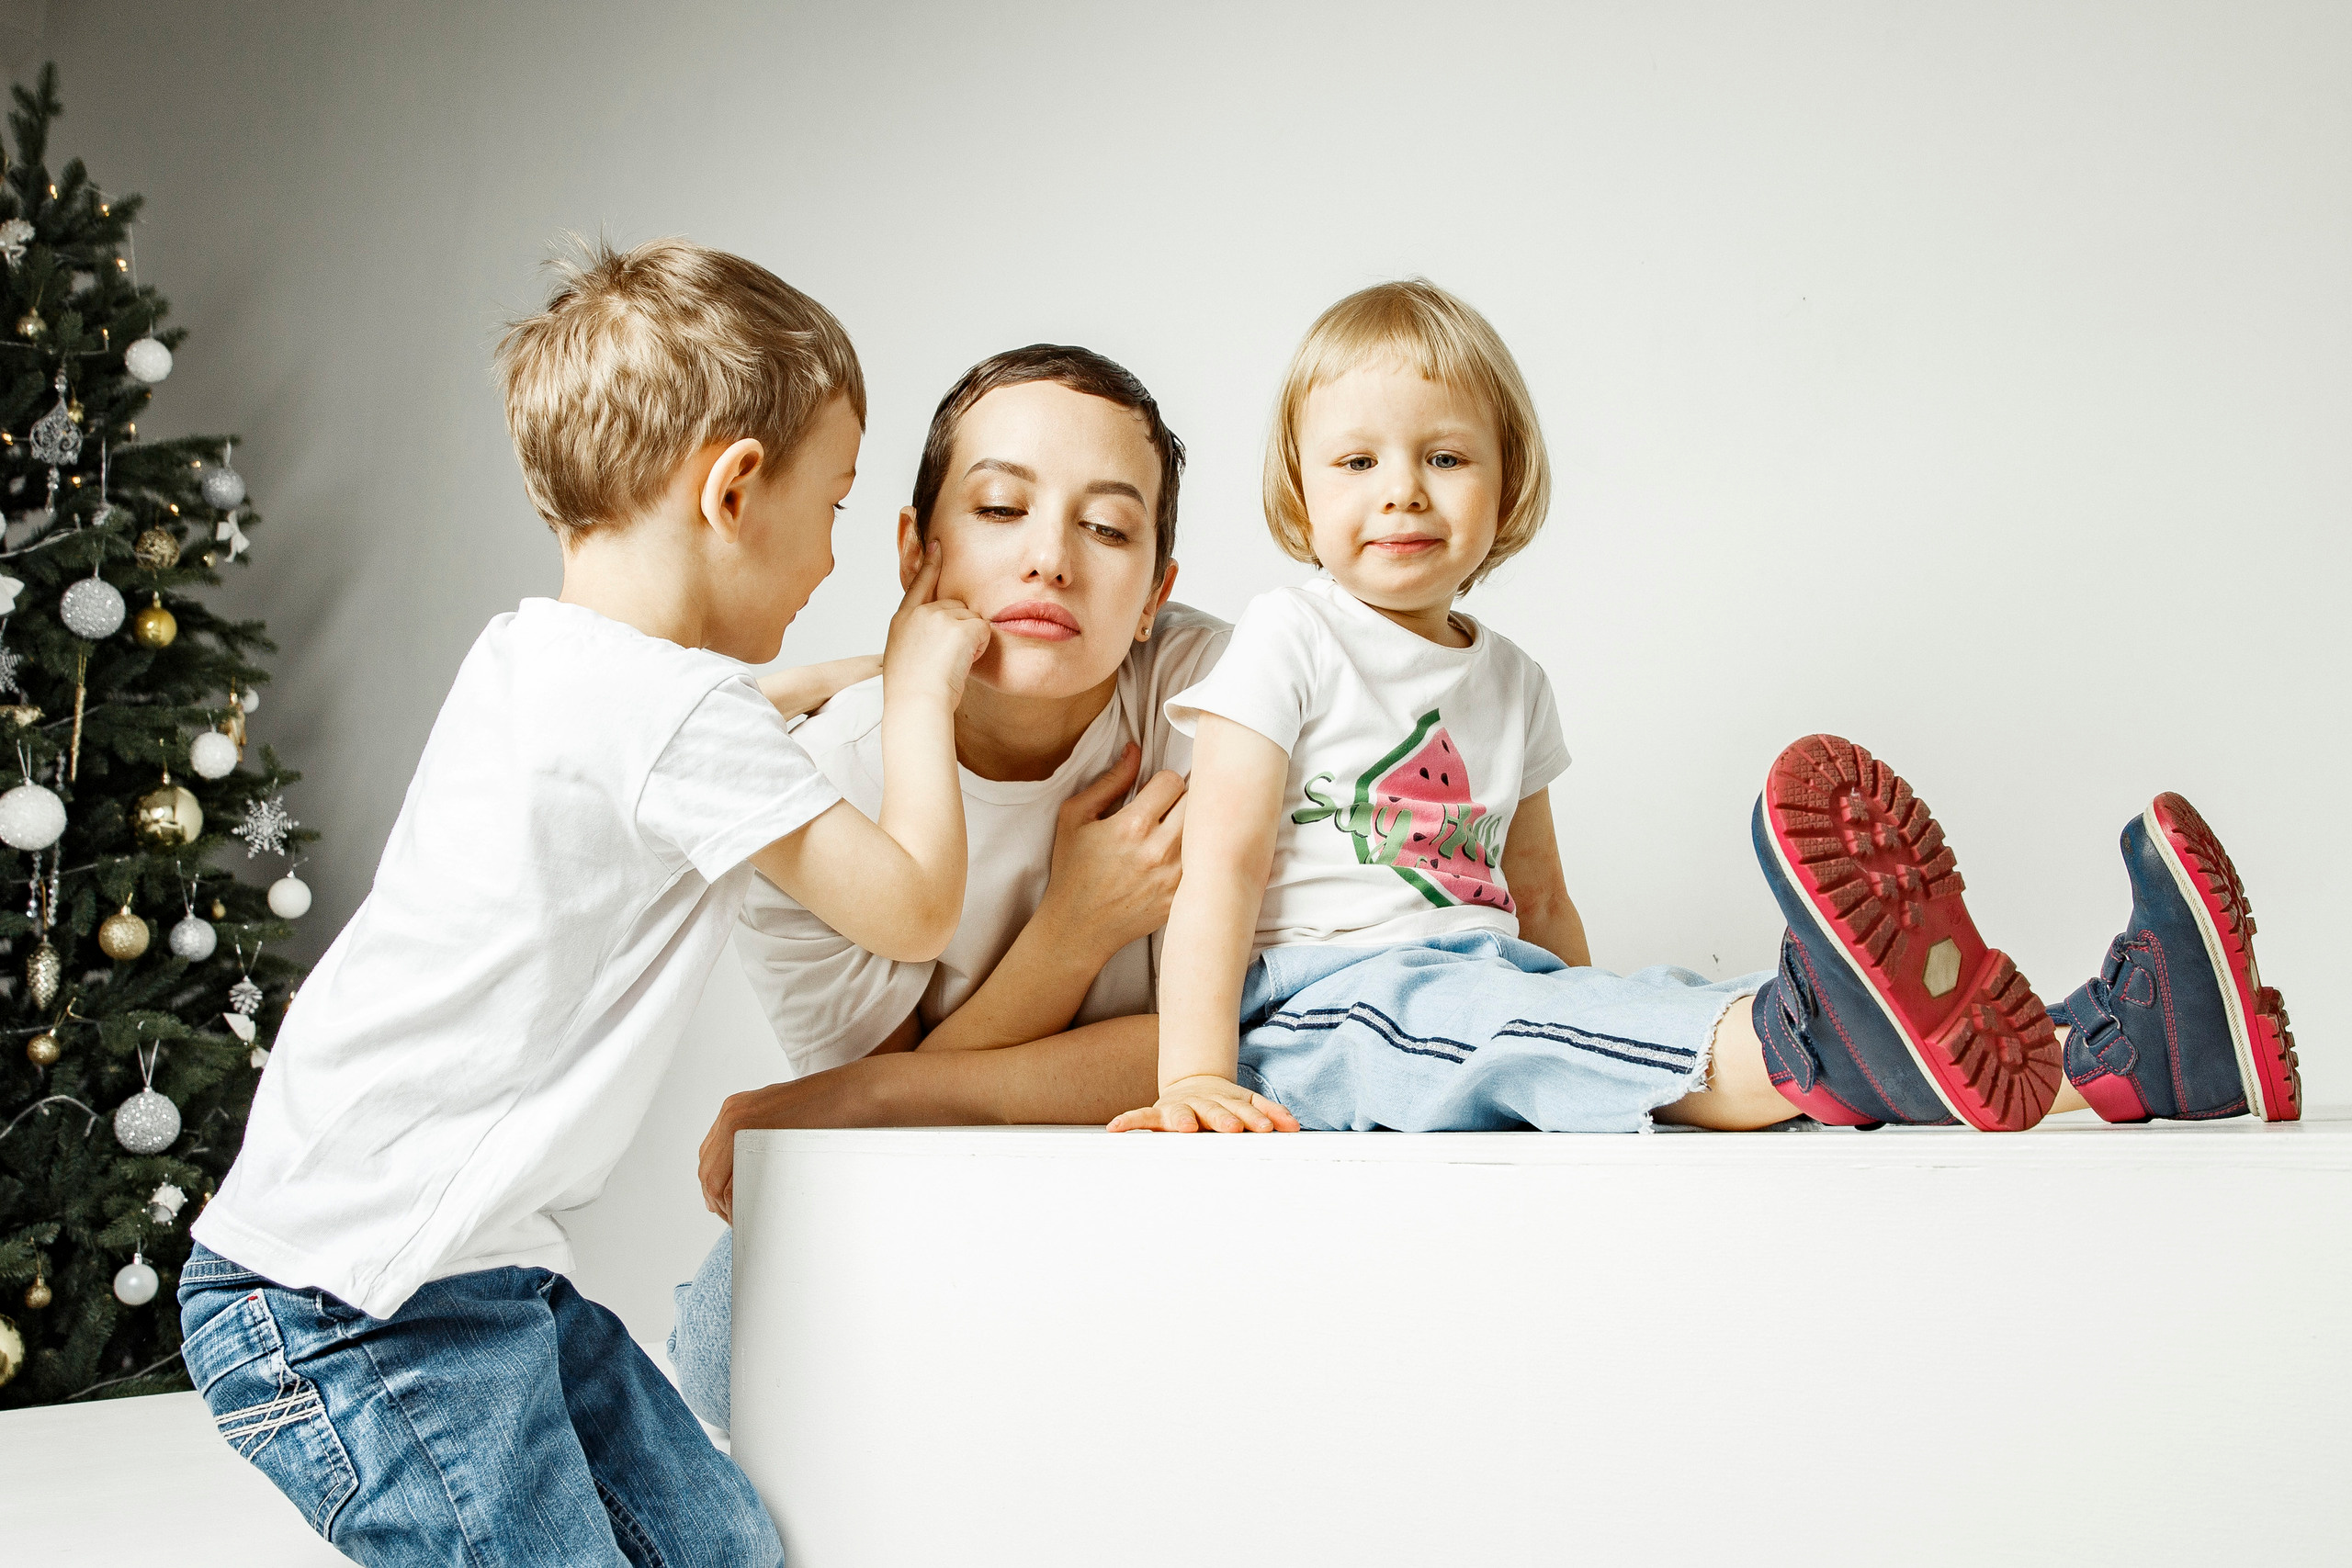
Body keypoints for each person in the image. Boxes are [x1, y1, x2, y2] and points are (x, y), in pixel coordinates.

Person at [175, 238, 992, 1566]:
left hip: (466, 1280)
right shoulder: (672, 717)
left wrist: (846, 677)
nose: (835, 551)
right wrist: (917, 690)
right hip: (354, 1304)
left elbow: (715, 725)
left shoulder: (544, 659)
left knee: (716, 1543)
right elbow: (906, 907)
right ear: (734, 488)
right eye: (836, 504)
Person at [1112, 278, 2300, 1138]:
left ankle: (2128, 1040)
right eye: (1357, 462)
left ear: (1505, 480)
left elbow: (1543, 893)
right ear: (1299, 488)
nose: (1402, 492)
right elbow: (1218, 868)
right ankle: (1817, 1039)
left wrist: (1587, 993)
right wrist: (1193, 1073)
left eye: (1445, 457)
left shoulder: (1513, 676)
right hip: (1327, 1009)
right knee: (1530, 1024)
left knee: (1652, 1004)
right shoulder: (1288, 634)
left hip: (1484, 972)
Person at [673, 344, 1225, 1431]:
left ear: (1157, 594)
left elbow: (1241, 1045)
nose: (1050, 562)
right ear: (915, 551)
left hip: (1182, 1185)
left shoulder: (1219, 709)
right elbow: (902, 1137)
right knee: (724, 1344)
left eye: (1107, 529)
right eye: (999, 509)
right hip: (952, 1200)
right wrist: (1074, 929)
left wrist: (872, 1096)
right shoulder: (815, 791)